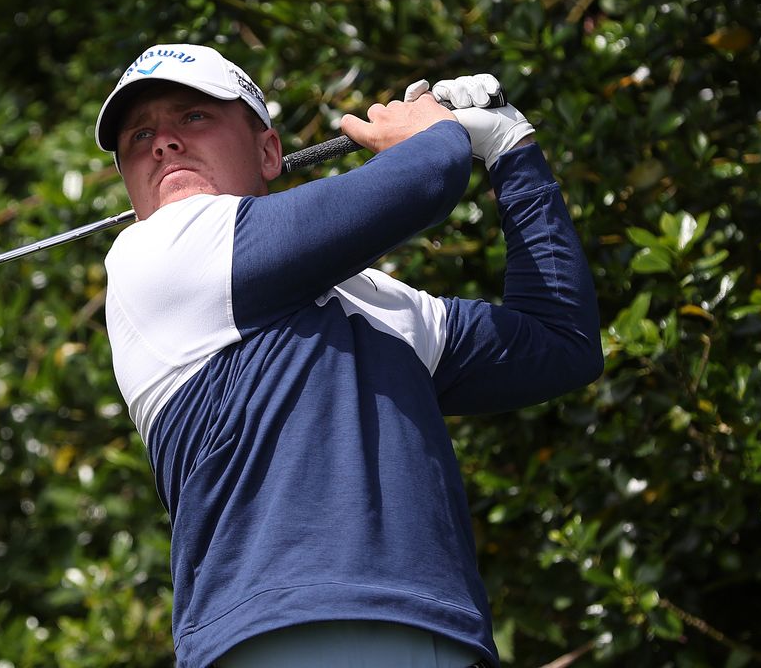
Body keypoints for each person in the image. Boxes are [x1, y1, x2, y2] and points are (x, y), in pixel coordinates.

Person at [94, 44, 602, 668]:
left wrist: (512, 151)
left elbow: (561, 343)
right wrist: (432, 130)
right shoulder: (154, 255)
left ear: (269, 152)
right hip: (279, 635)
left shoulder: (383, 304)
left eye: (193, 117)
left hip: (444, 634)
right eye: (139, 135)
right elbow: (425, 176)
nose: (163, 143)